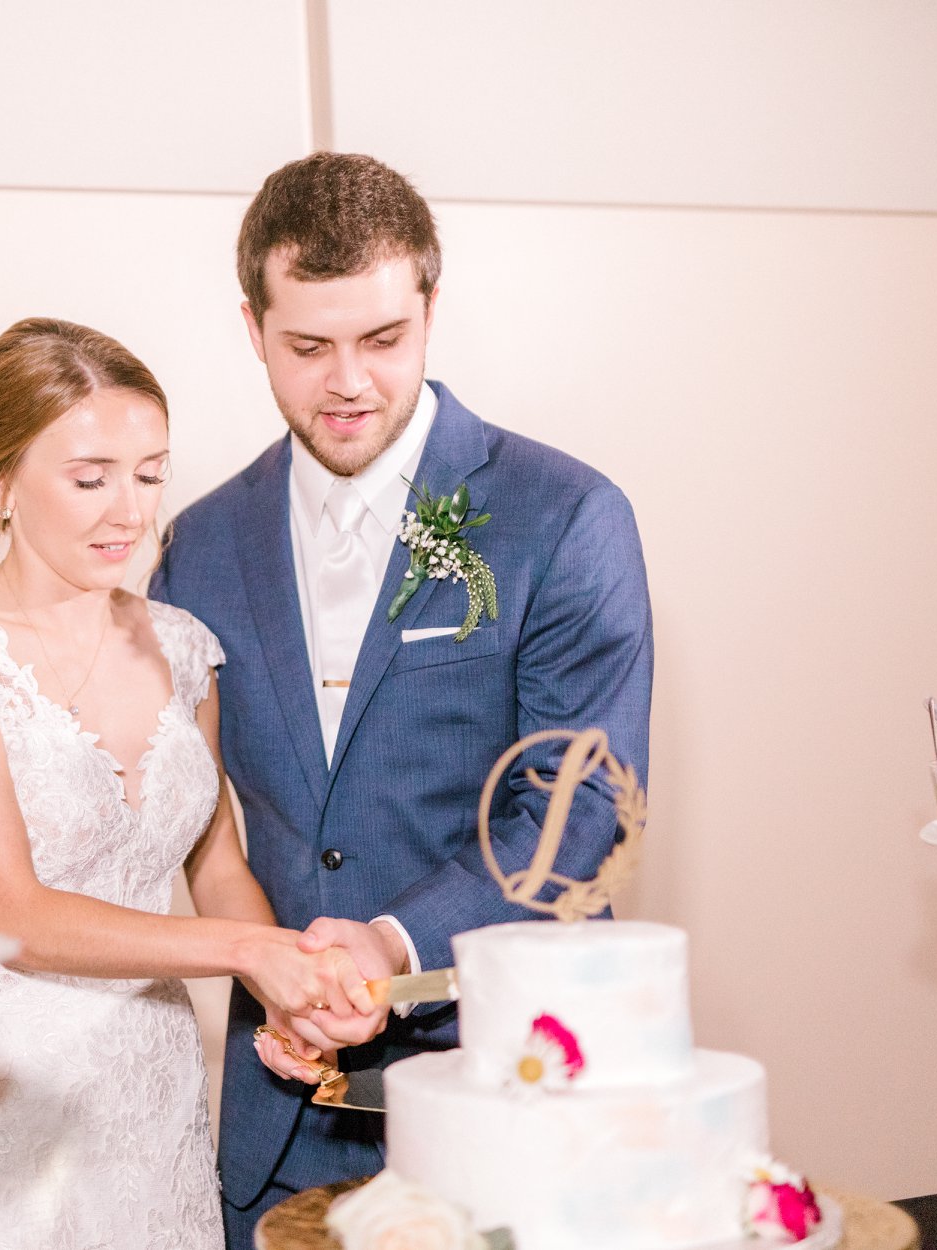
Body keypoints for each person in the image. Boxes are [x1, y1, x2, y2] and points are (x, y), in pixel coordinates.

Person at [149, 152, 654, 1245]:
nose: (348, 382)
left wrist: (387, 940)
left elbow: (582, 816)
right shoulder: (198, 546)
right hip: (282, 1111)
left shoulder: (564, 516)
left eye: (382, 339)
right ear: (252, 327)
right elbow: (166, 801)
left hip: (508, 1087)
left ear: (431, 306)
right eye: (308, 346)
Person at [0, 317, 374, 1249]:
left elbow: (216, 863)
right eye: (89, 477)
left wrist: (289, 992)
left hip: (153, 1100)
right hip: (2, 1104)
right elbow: (10, 914)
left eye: (149, 474)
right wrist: (243, 953)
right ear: (0, 484)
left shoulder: (183, 646)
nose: (129, 511)